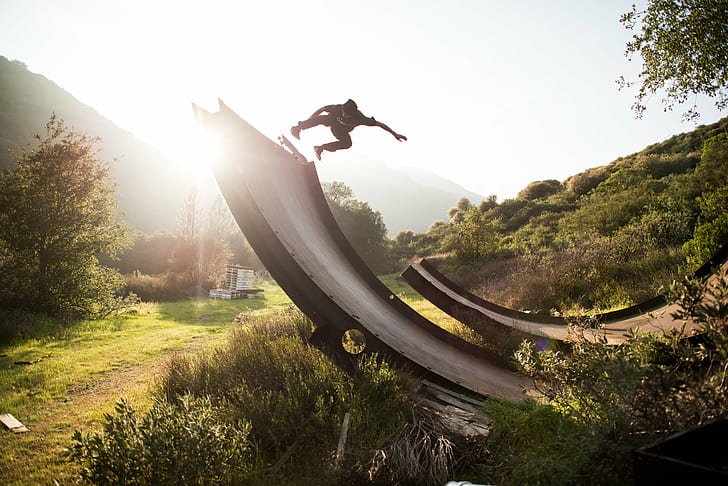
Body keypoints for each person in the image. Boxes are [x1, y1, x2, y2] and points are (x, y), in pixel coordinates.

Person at [291, 99, 407, 160]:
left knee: (348, 143)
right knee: (323, 118)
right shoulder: (338, 108)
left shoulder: (361, 118)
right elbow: (322, 109)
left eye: (346, 114)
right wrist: (307, 122)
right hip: (332, 121)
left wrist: (395, 134)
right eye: (343, 112)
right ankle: (297, 128)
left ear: (352, 114)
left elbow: (379, 124)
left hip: (341, 131)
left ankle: (320, 148)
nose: (343, 114)